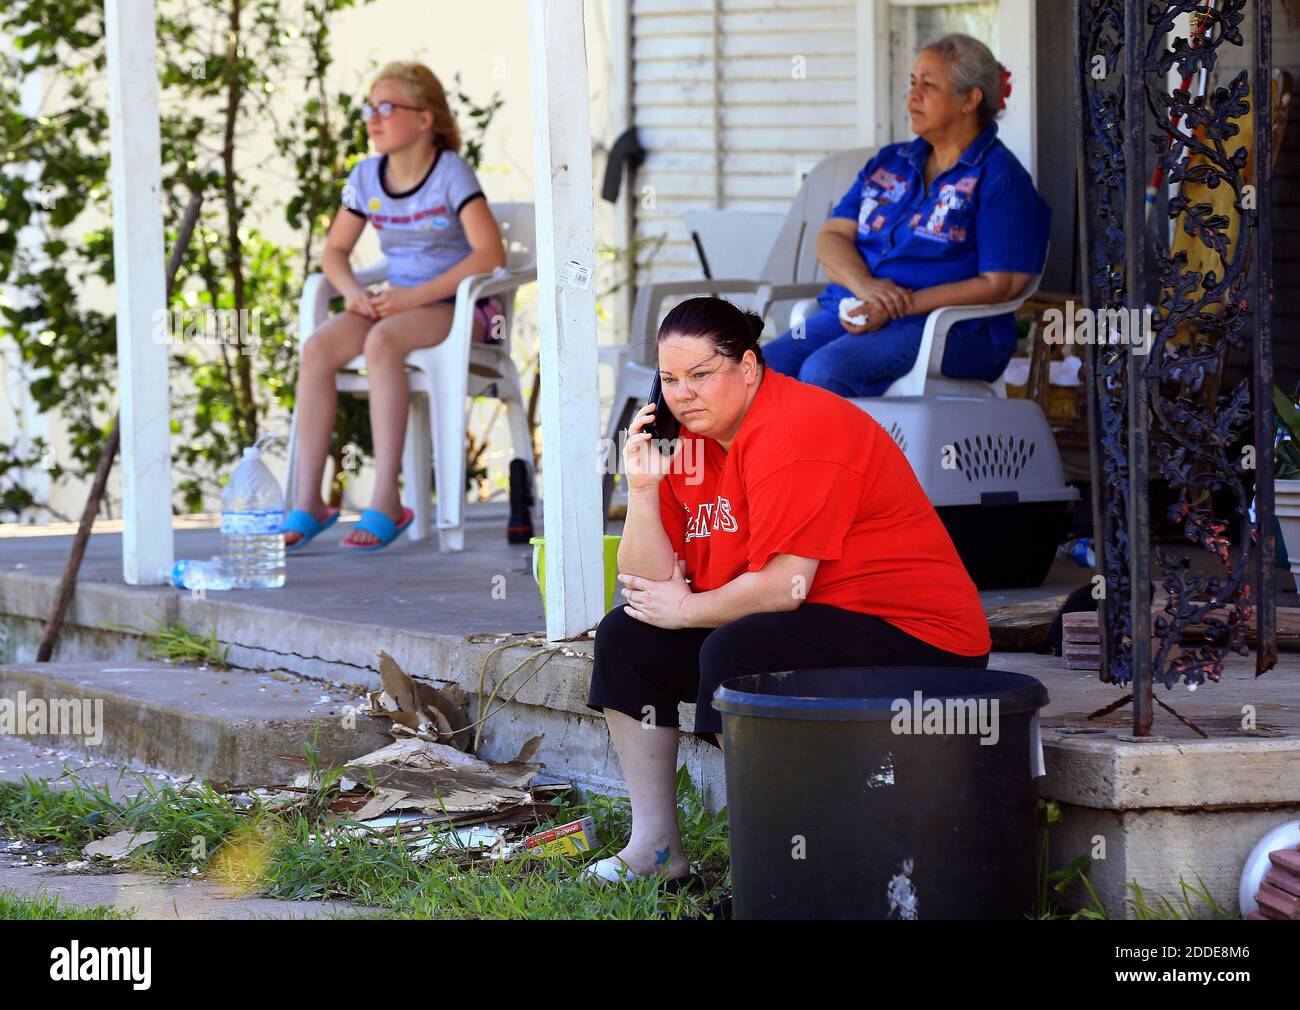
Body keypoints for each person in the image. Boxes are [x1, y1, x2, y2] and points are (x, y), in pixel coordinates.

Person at [582, 296, 992, 887]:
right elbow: (648, 584)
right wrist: (643, 490)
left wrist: (691, 610)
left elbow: (783, 588)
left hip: (920, 640)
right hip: (808, 625)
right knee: (627, 634)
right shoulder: (685, 443)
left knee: (736, 654)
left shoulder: (795, 427)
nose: (683, 394)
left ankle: (780, 864)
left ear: (748, 368)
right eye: (670, 379)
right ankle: (655, 850)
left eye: (701, 375)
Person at [284, 61, 507, 552]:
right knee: (318, 347)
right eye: (370, 108)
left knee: (381, 341)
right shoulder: (365, 178)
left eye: (386, 107)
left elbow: (490, 255)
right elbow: (334, 252)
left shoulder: (450, 172)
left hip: (459, 306)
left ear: (425, 119)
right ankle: (310, 501)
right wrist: (352, 292)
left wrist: (412, 297)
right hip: (396, 304)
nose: (372, 118)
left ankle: (387, 499)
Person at [763, 33, 1051, 398]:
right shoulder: (890, 162)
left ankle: (847, 457)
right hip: (857, 307)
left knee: (825, 371)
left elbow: (1001, 284)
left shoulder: (1001, 178)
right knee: (758, 369)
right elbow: (832, 235)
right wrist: (866, 287)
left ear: (970, 99)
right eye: (913, 82)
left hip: (951, 329)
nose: (912, 95)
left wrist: (898, 305)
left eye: (928, 85)